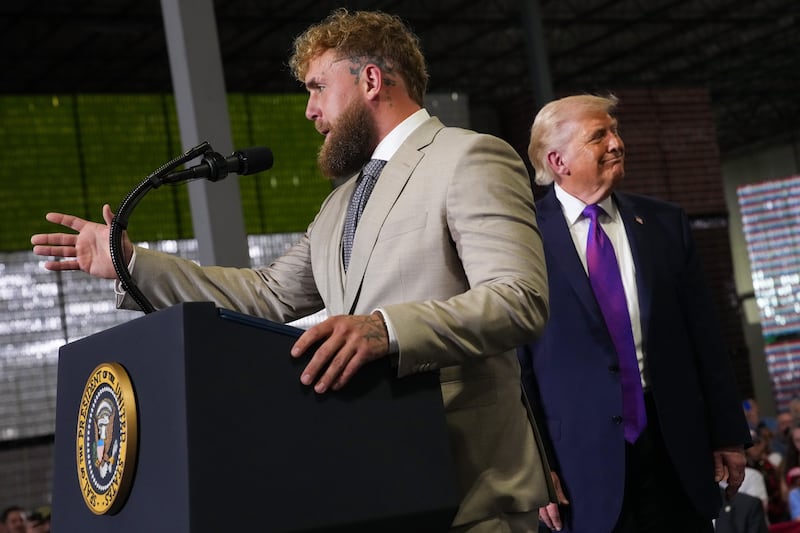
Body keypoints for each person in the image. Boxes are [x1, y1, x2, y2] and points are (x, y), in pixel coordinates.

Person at [31, 8, 553, 532]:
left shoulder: (469, 156)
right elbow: (267, 295)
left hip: (471, 486)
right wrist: (132, 262)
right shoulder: (338, 206)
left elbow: (519, 298)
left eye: (318, 87)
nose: (310, 110)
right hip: (384, 485)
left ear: (371, 79)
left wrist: (386, 329)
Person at [516, 94, 751, 533]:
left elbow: (706, 337)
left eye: (615, 130)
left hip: (677, 448)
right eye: (598, 136)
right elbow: (518, 367)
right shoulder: (522, 238)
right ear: (558, 160)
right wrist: (534, 465)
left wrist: (728, 434)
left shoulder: (666, 223)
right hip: (581, 466)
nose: (617, 143)